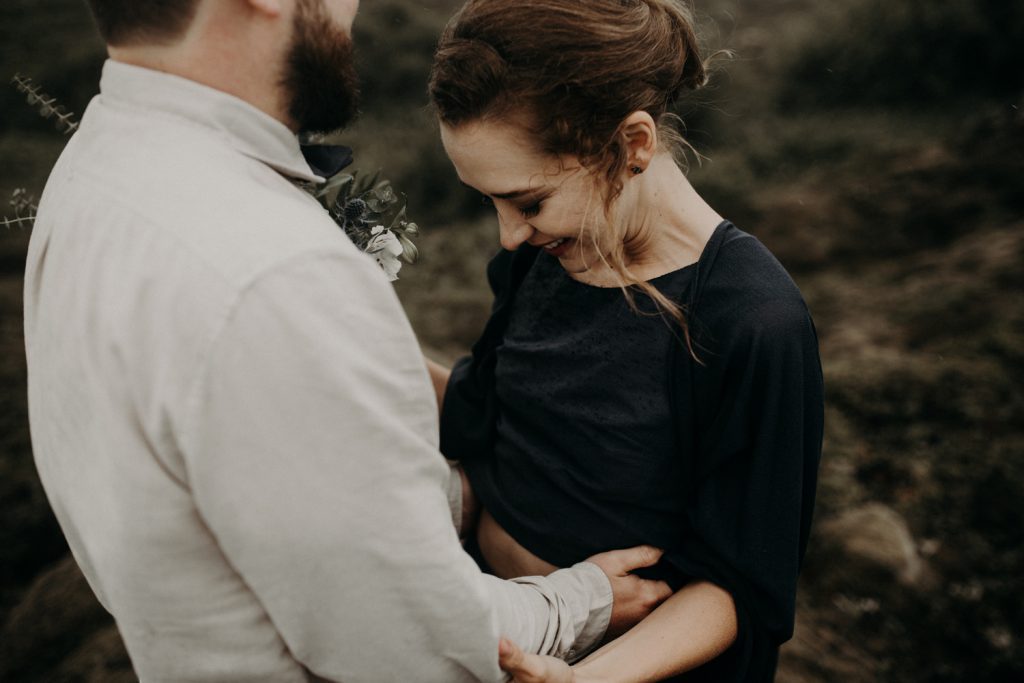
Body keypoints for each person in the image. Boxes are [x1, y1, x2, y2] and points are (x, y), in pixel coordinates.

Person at [22, 1, 674, 680]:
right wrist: (583, 600)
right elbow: (414, 642)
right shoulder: (277, 273)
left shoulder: (87, 176)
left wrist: (453, 493)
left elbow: (262, 485)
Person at [427, 0, 825, 680]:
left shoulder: (752, 321)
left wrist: (585, 678)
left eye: (528, 202)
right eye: (487, 202)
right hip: (473, 610)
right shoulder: (544, 256)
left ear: (632, 144)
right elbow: (479, 413)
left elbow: (739, 585)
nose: (508, 235)